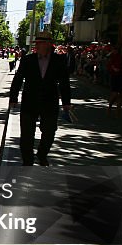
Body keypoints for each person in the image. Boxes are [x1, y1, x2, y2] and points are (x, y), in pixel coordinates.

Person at [9, 31, 71, 166]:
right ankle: (27, 160)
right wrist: (13, 98)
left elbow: (64, 82)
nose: (38, 46)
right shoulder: (28, 60)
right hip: (29, 101)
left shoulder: (59, 60)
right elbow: (18, 79)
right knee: (26, 133)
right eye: (36, 44)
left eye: (40, 43)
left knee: (49, 132)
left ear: (49, 44)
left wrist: (67, 102)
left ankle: (42, 154)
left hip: (50, 101)